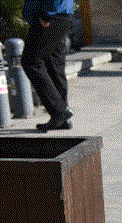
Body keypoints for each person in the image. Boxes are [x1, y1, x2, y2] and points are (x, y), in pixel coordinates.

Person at [21, 0, 73, 132]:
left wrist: (47, 14)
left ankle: (60, 111)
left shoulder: (48, 14)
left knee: (31, 61)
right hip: (61, 16)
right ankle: (61, 120)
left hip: (49, 17)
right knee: (54, 65)